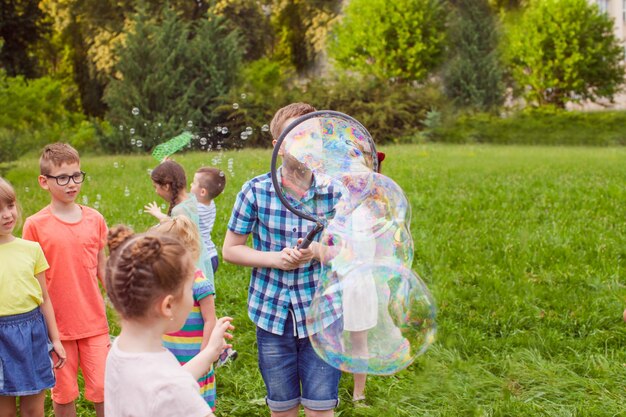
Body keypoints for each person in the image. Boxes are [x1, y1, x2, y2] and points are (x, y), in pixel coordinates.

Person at [223, 102, 342, 417]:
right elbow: (231, 249)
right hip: (273, 315)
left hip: (323, 316)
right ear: (277, 146)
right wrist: (275, 259)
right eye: (295, 135)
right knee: (282, 406)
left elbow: (348, 250)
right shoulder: (255, 192)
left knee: (321, 407)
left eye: (311, 136)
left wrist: (317, 251)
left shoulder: (334, 192)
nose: (305, 142)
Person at [103, 226, 234, 417]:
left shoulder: (119, 351)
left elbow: (169, 384)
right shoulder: (173, 390)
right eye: (190, 289)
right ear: (168, 306)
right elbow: (172, 387)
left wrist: (209, 353)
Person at [22, 143, 109, 417]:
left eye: (76, 175)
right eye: (62, 178)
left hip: (95, 323)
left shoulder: (95, 219)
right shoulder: (34, 225)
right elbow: (31, 280)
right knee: (63, 394)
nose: (71, 184)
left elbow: (103, 268)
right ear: (43, 182)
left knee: (105, 391)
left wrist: (124, 304)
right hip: (56, 329)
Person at [0, 177, 66, 417]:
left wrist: (55, 340)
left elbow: (44, 299)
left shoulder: (31, 249)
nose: (7, 214)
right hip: (1, 337)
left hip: (31, 333)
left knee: (33, 409)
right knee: (4, 411)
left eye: (10, 206)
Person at [152, 216, 218, 409]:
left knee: (194, 398)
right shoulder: (163, 281)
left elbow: (210, 319)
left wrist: (205, 355)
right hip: (169, 352)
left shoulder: (199, 283)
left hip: (193, 353)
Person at [189, 166, 238, 367]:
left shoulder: (195, 208)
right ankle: (223, 347)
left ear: (202, 192)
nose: (189, 186)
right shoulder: (209, 205)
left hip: (201, 259)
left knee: (204, 311)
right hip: (211, 257)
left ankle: (220, 349)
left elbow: (180, 204)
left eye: (192, 182)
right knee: (206, 307)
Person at [144, 160, 214, 289]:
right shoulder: (191, 198)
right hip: (199, 254)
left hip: (188, 261)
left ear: (166, 186)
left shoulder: (179, 210)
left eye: (156, 187)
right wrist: (168, 167)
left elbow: (175, 229)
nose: (156, 191)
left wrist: (159, 217)